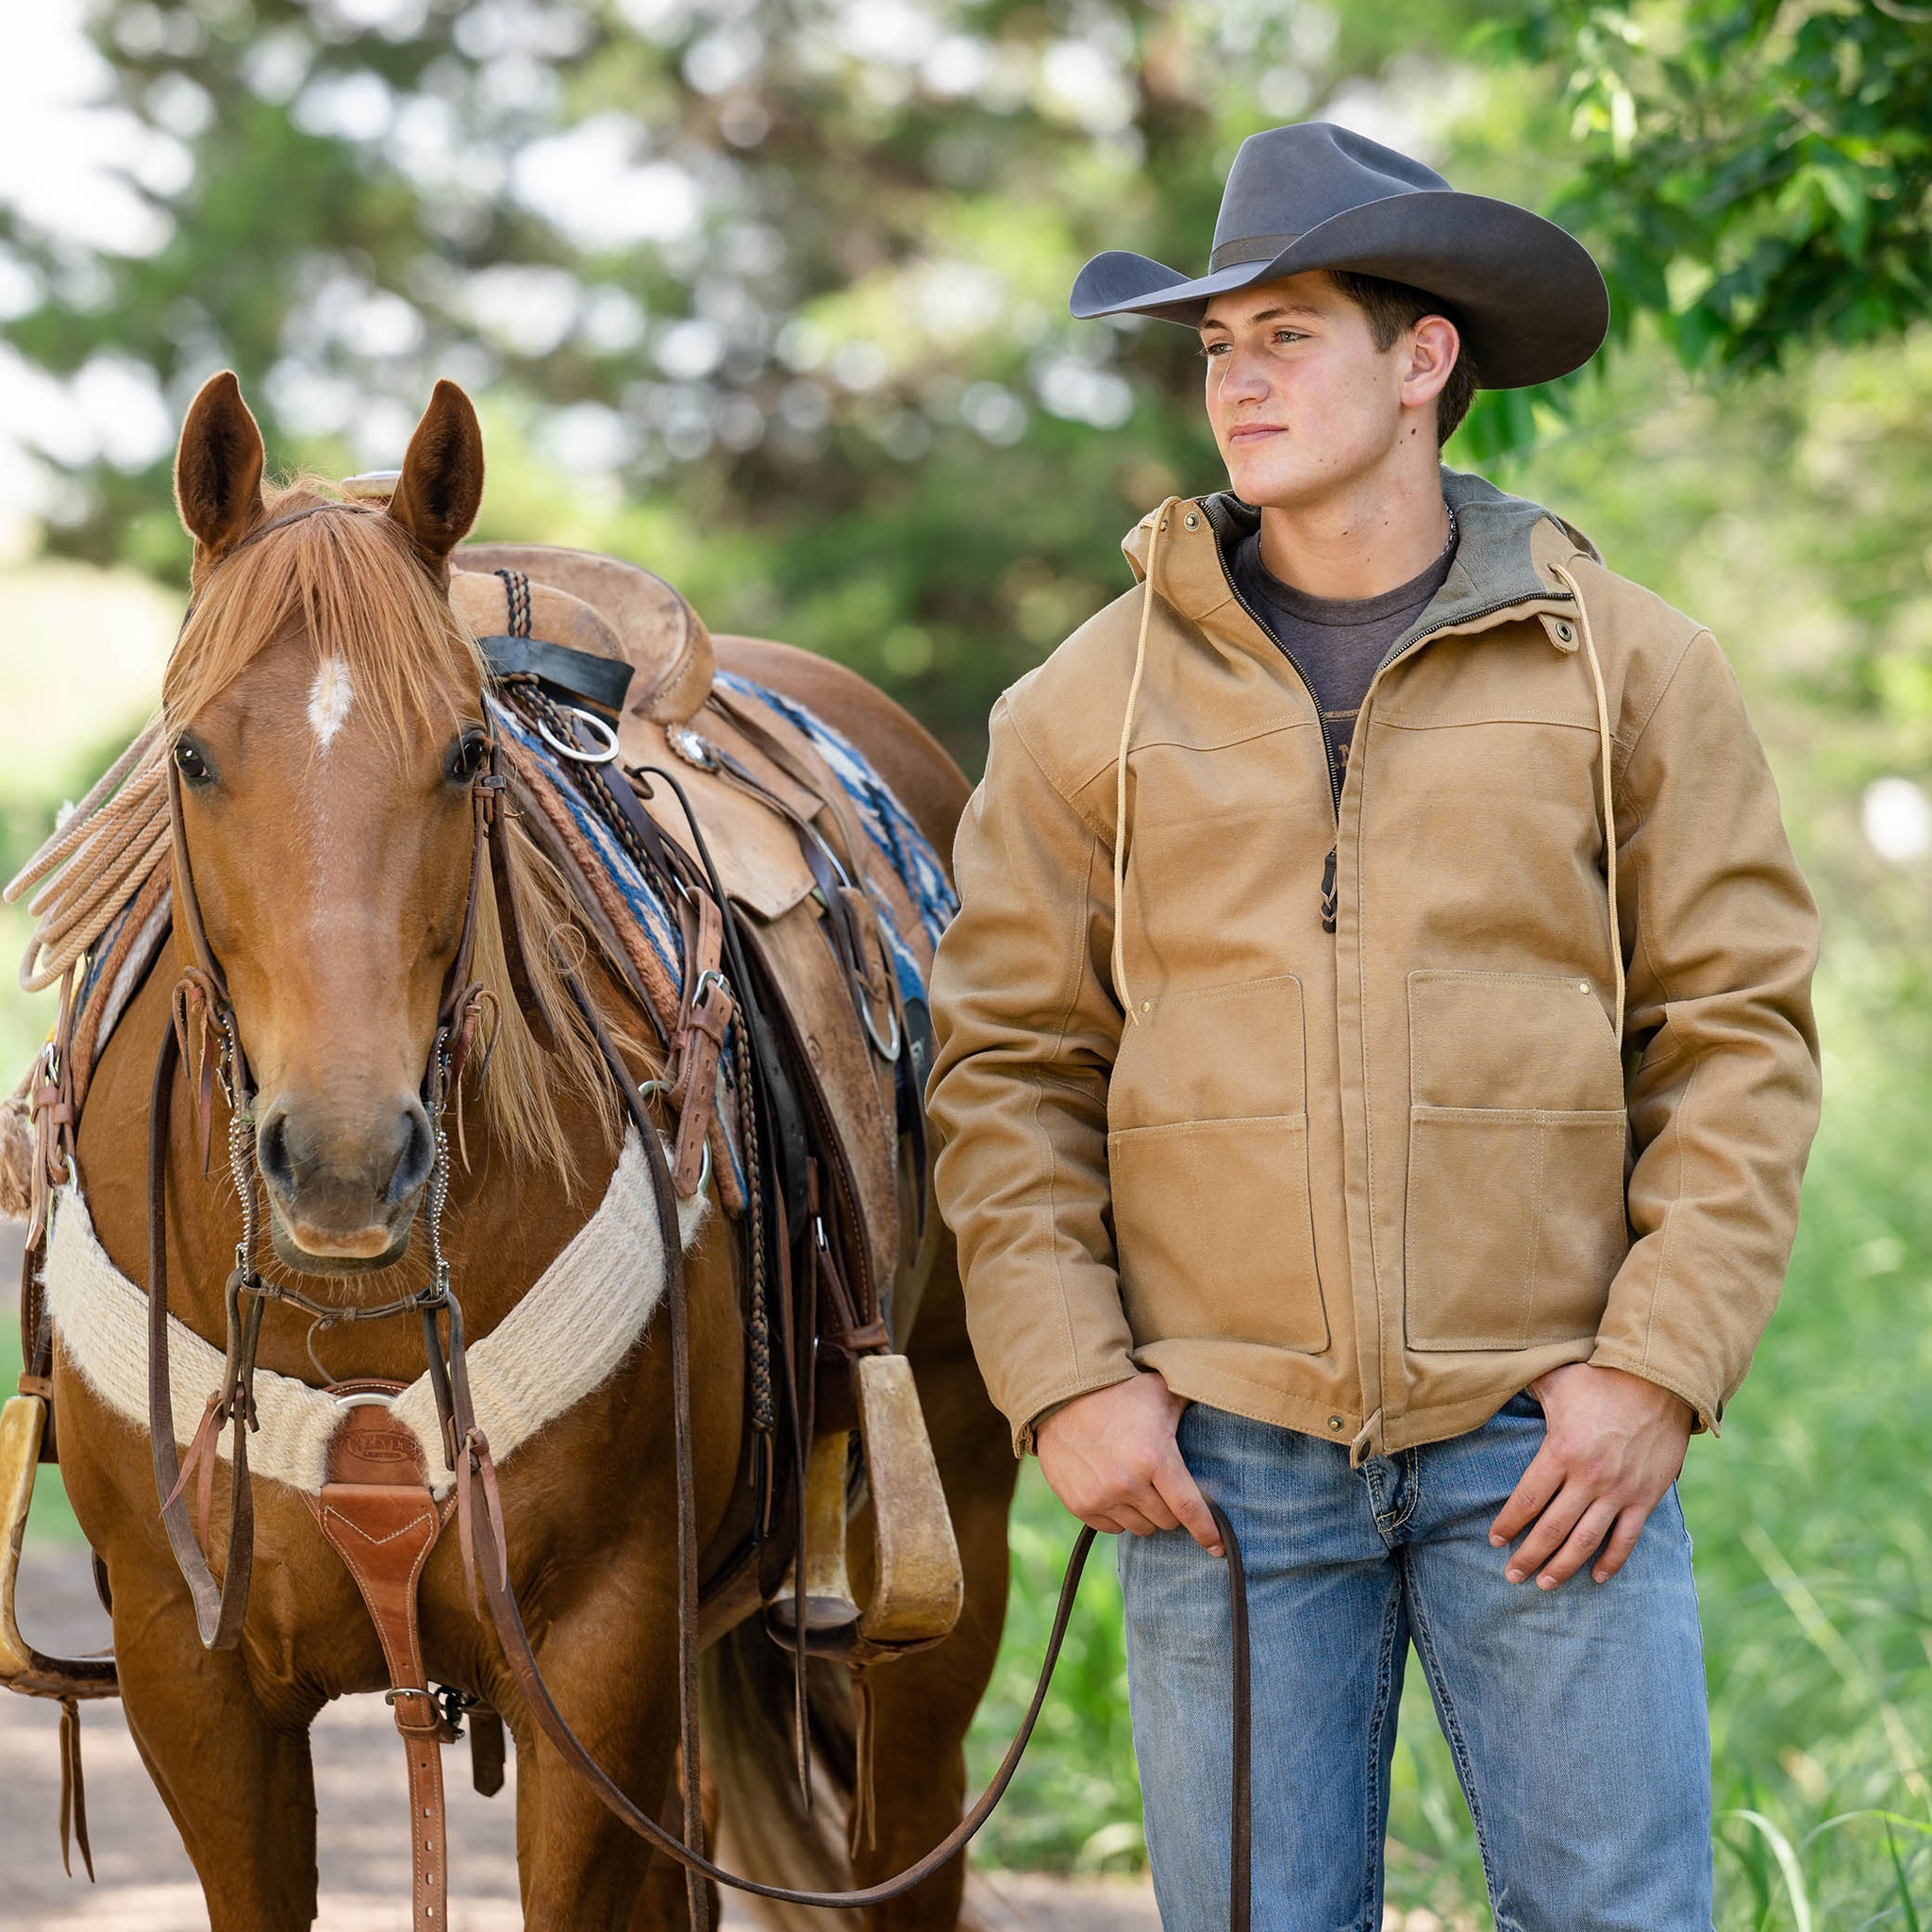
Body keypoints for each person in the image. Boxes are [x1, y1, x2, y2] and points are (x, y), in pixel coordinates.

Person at [924, 121, 1822, 1931]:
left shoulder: (1632, 666)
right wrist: (1066, 1379)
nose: (1238, 383)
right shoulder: (1081, 705)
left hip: (1545, 1450)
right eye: (1215, 347)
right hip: (1224, 1469)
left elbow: (1736, 1036)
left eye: (1288, 335)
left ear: (1425, 362)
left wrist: (1654, 1368)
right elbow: (1009, 1066)